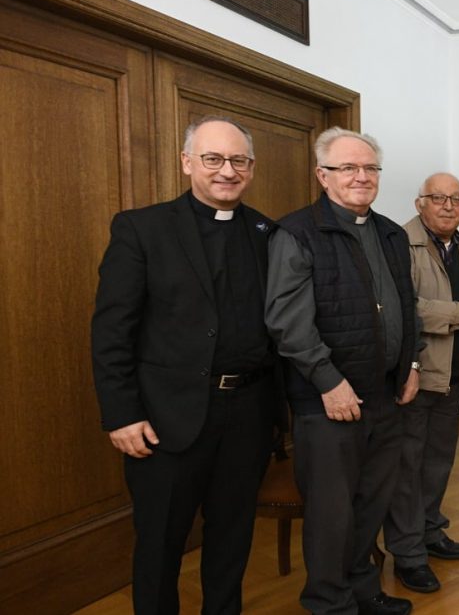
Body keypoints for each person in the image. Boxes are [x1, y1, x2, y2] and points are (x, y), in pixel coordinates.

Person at [92, 115, 279, 615]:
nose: (226, 171)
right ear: (186, 163)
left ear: (251, 167)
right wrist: (120, 413)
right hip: (164, 417)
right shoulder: (142, 228)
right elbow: (112, 330)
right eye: (213, 159)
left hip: (248, 414)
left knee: (233, 537)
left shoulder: (267, 232)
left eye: (238, 160)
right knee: (159, 544)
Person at [266, 127, 420, 615]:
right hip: (328, 401)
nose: (361, 177)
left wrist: (410, 364)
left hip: (384, 396)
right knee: (332, 514)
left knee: (371, 503)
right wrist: (329, 382)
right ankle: (328, 603)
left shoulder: (391, 233)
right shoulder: (296, 233)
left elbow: (406, 307)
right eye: (347, 168)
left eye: (370, 168)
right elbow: (287, 322)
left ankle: (363, 591)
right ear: (322, 175)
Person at [382, 172, 459, 593]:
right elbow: (402, 305)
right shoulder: (398, 242)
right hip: (415, 374)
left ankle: (430, 531)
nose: (448, 206)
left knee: (438, 461)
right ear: (418, 203)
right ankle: (408, 554)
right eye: (438, 198)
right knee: (407, 466)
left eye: (456, 199)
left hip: (451, 375)